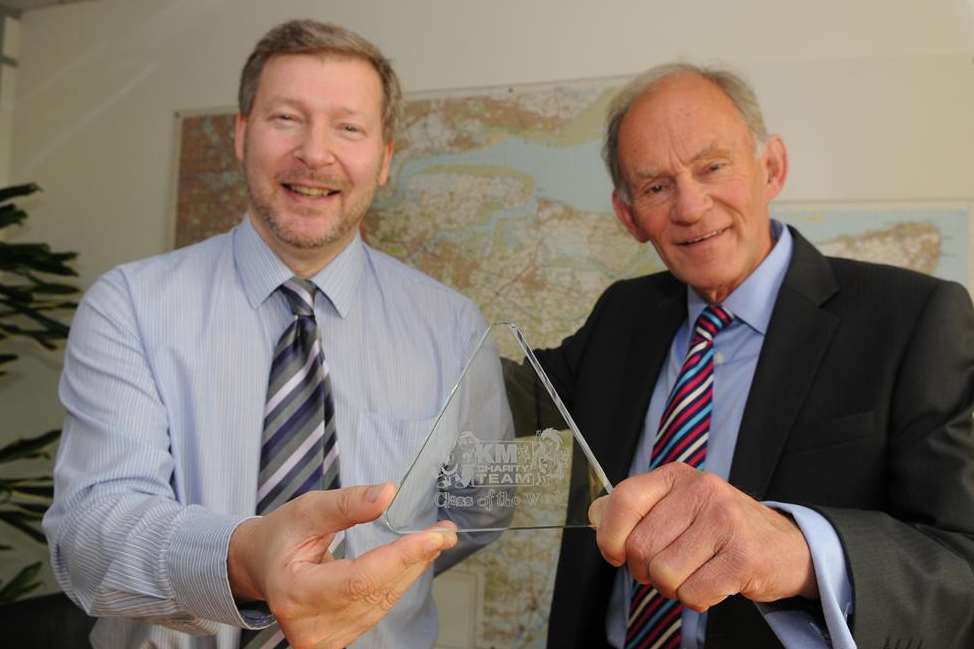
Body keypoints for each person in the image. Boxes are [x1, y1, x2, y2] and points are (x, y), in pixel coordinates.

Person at [43, 19, 498, 649]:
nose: (314, 153)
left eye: (349, 127)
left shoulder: (454, 329)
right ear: (241, 134)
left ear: (385, 159)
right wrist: (243, 562)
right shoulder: (130, 306)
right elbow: (90, 535)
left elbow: (475, 516)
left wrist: (371, 583)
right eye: (286, 118)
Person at [535, 63, 974, 649]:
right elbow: (512, 394)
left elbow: (961, 567)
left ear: (772, 168)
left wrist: (800, 552)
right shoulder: (623, 314)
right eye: (657, 186)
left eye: (712, 167)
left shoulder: (913, 319)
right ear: (628, 215)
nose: (690, 206)